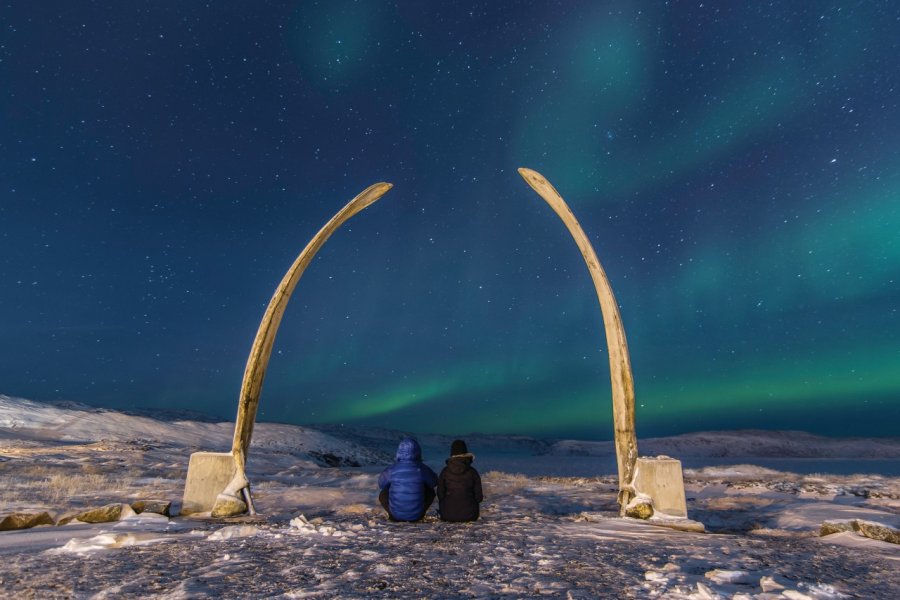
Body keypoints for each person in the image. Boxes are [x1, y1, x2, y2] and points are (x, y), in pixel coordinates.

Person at [378, 436, 438, 522]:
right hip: (417, 515)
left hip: (395, 515)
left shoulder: (392, 469)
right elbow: (434, 482)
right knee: (430, 491)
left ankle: (393, 514)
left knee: (383, 493)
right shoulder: (422, 468)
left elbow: (381, 484)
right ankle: (417, 513)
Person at [437, 439, 483, 522]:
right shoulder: (472, 472)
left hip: (447, 515)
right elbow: (479, 497)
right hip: (470, 515)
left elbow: (440, 494)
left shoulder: (445, 471)